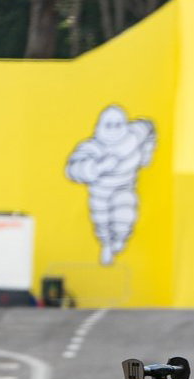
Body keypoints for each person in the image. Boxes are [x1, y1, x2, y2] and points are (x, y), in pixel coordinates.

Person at [65, 105, 157, 266]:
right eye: (109, 125)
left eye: (118, 124)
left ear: (125, 125)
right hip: (100, 192)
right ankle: (106, 244)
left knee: (126, 214)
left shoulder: (133, 136)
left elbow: (149, 127)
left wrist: (146, 153)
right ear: (100, 126)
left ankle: (119, 240)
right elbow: (72, 170)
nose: (114, 129)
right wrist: (99, 167)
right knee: (102, 221)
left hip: (125, 187)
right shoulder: (92, 147)